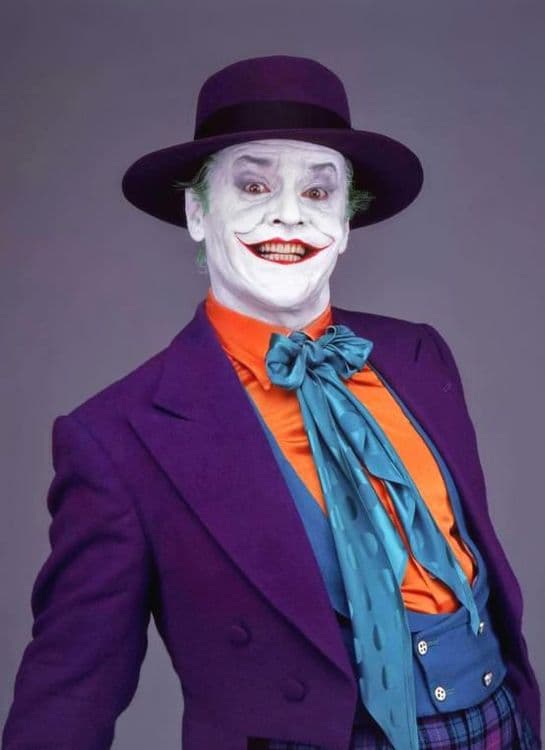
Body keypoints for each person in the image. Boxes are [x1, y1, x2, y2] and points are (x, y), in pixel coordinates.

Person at [2, 55, 540, 750]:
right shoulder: (115, 439)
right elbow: (71, 688)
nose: (289, 214)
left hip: (499, 728)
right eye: (254, 185)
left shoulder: (419, 355)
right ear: (197, 213)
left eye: (318, 192)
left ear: (344, 224)